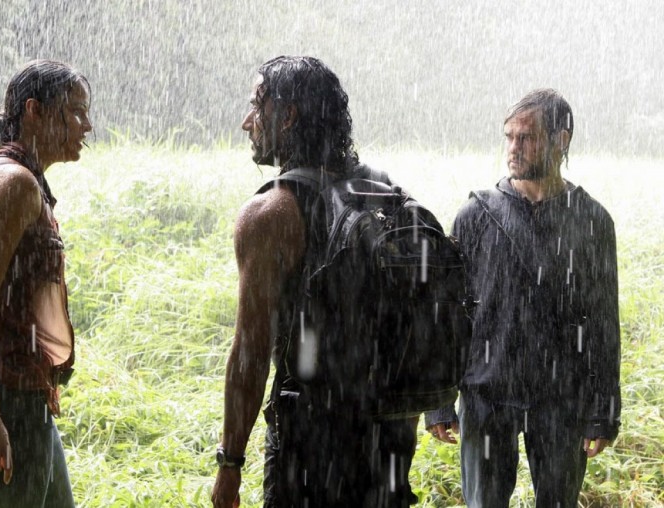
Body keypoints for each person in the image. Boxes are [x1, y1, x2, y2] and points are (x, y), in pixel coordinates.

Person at [211, 56, 419, 508]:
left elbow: (250, 352)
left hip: (309, 444)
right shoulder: (384, 192)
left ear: (287, 116)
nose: (247, 122)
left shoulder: (270, 213)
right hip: (388, 435)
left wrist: (230, 463)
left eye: (256, 107)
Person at [425, 89, 621, 507]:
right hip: (487, 393)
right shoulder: (476, 215)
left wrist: (604, 410)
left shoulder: (592, 221)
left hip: (562, 398)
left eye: (526, 137)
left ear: (561, 140)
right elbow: (447, 316)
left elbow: (604, 322)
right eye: (509, 136)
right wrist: (438, 402)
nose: (513, 147)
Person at [0, 59, 92, 507]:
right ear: (34, 110)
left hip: (24, 393)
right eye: (76, 112)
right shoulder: (13, 184)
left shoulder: (19, 177)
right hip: (6, 398)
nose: (87, 126)